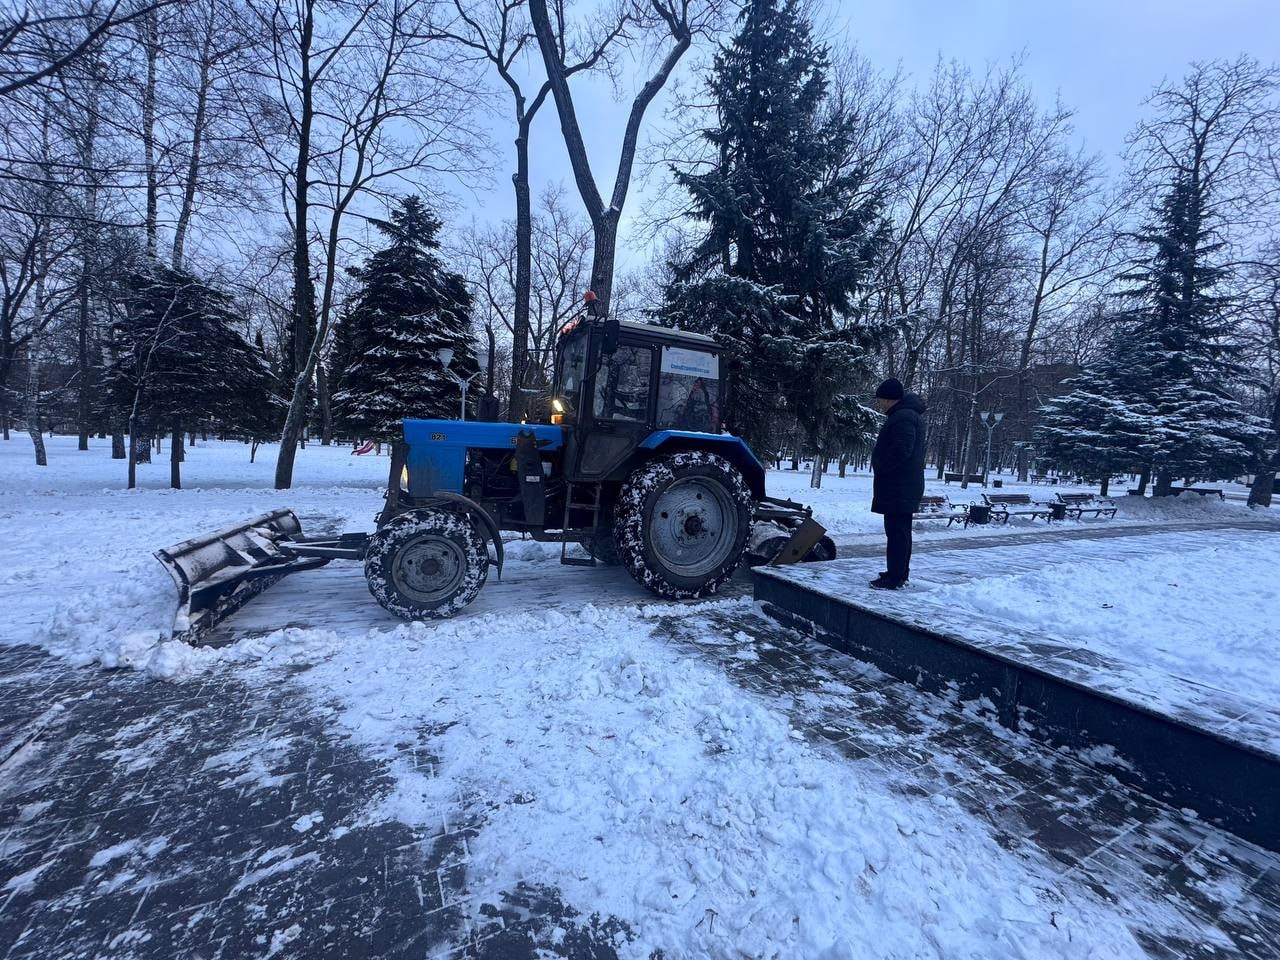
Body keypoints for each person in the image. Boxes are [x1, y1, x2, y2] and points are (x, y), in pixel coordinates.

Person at [869, 377, 926, 590]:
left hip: (899, 485)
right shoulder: (907, 415)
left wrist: (881, 466)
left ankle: (895, 577)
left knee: (897, 532)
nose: (880, 404)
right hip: (902, 485)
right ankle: (897, 572)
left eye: (881, 399)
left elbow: (903, 449)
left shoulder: (903, 417)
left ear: (890, 399)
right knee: (899, 532)